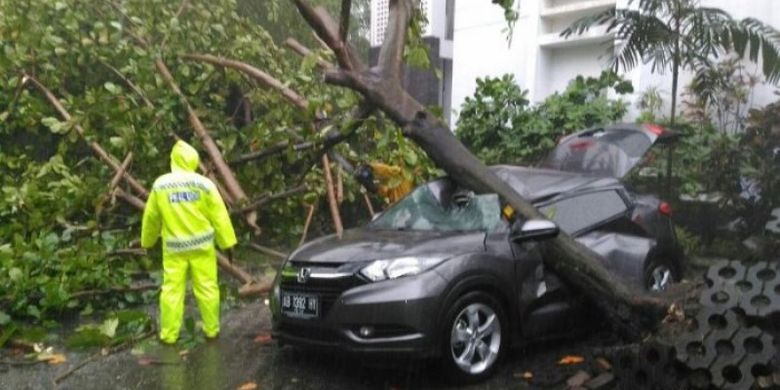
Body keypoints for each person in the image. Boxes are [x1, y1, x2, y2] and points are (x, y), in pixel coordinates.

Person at [141, 140, 237, 344]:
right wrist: (227, 243)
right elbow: (220, 216)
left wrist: (147, 243)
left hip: (174, 250)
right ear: (193, 160)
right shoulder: (205, 184)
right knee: (208, 288)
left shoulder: (161, 185)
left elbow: (151, 218)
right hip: (202, 248)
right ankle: (211, 330)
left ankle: (169, 335)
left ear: (173, 160)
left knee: (172, 291)